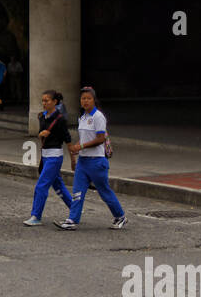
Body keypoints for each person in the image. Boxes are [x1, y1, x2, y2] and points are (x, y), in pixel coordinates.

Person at [56, 87, 126, 230]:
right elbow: (83, 139)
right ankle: (72, 220)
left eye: (88, 98)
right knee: (77, 192)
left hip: (96, 161)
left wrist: (81, 146)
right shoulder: (82, 117)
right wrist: (75, 156)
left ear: (94, 100)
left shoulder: (98, 116)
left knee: (104, 191)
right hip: (83, 161)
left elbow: (100, 139)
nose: (85, 101)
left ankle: (120, 216)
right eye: (83, 98)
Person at [23, 90, 73, 226]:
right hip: (45, 155)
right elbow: (42, 134)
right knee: (58, 186)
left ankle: (36, 216)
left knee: (41, 185)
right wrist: (41, 134)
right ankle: (75, 210)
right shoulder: (42, 116)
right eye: (43, 101)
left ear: (55, 102)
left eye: (47, 101)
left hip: (55, 156)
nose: (44, 103)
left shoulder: (60, 119)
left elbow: (67, 138)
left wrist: (73, 159)